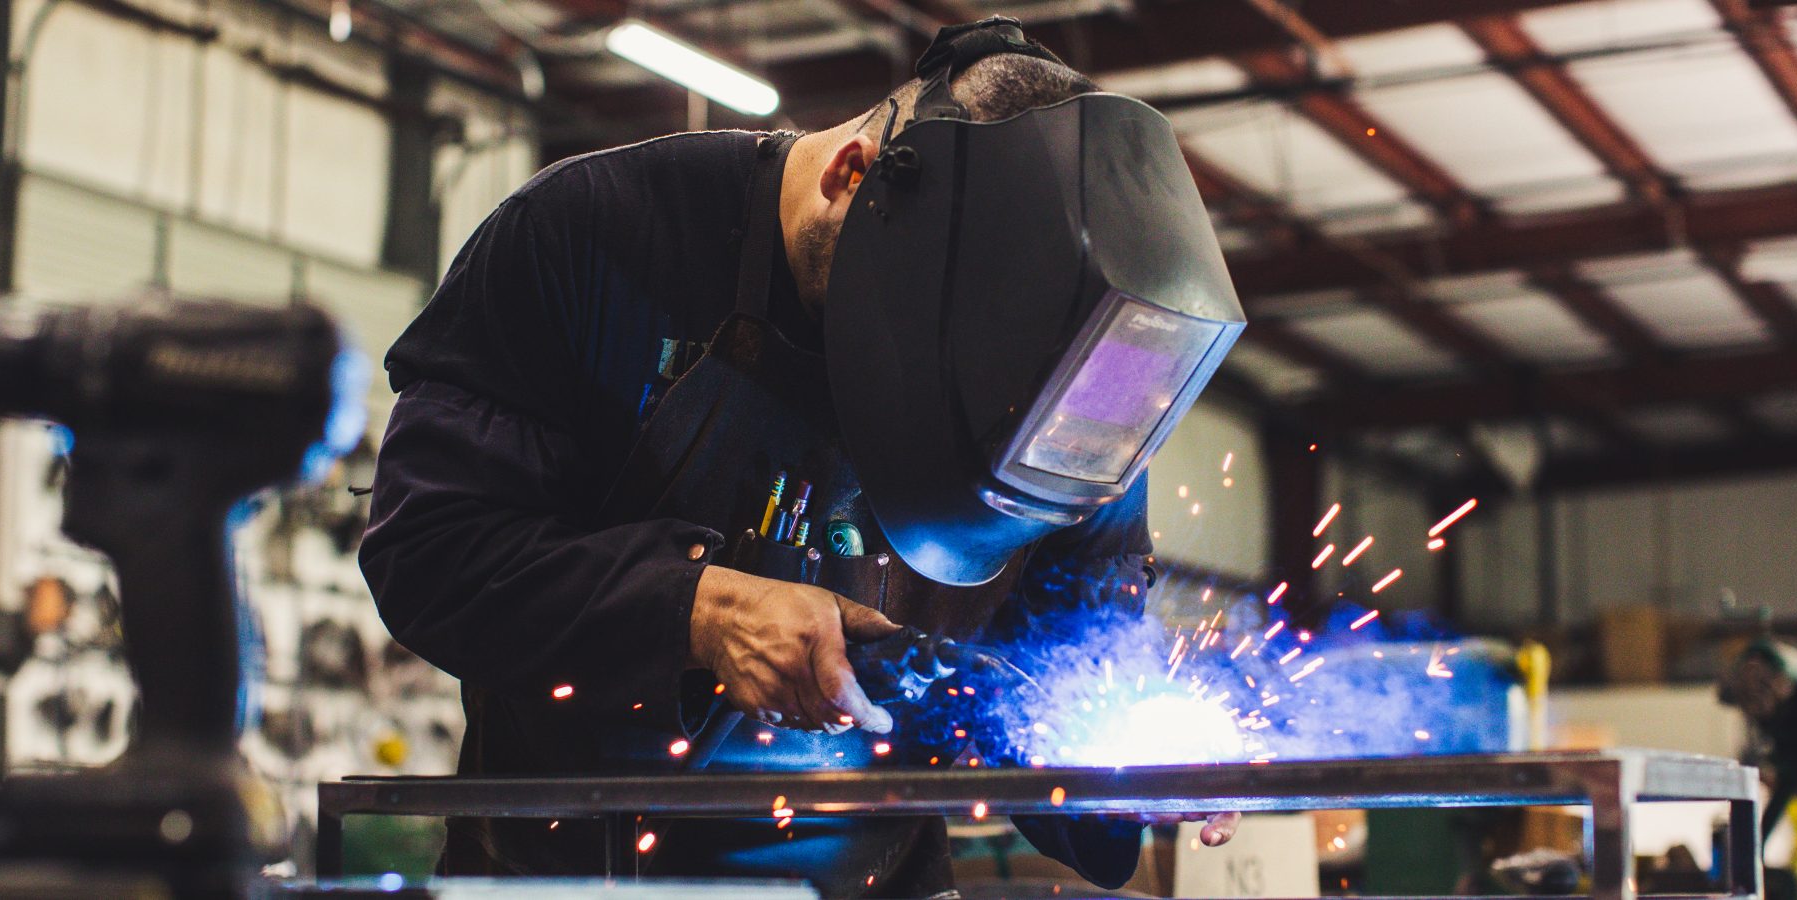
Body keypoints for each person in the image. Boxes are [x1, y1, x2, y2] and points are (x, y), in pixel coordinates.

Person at [361, 17, 1239, 897]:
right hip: (570, 876)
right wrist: (701, 607)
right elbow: (430, 551)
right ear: (851, 175)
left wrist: (1129, 772)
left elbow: (1071, 668)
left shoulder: (1071, 377)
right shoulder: (589, 234)